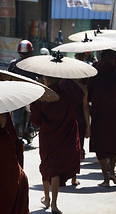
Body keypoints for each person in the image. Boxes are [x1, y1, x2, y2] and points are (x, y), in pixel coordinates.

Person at [30, 76, 81, 214]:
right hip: (63, 135)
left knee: (47, 166)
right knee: (56, 169)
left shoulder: (43, 96)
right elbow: (72, 117)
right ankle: (53, 203)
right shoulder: (65, 96)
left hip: (47, 136)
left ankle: (47, 199)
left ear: (46, 81)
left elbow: (35, 120)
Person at [88, 49, 116, 187]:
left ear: (101, 60)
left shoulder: (96, 76)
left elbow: (88, 95)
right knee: (114, 145)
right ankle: (112, 171)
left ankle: (106, 178)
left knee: (101, 147)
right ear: (113, 60)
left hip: (100, 116)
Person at [7, 40, 40, 143]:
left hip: (17, 95)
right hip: (30, 95)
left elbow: (7, 78)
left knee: (16, 117)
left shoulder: (13, 64)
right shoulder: (34, 65)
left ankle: (19, 134)